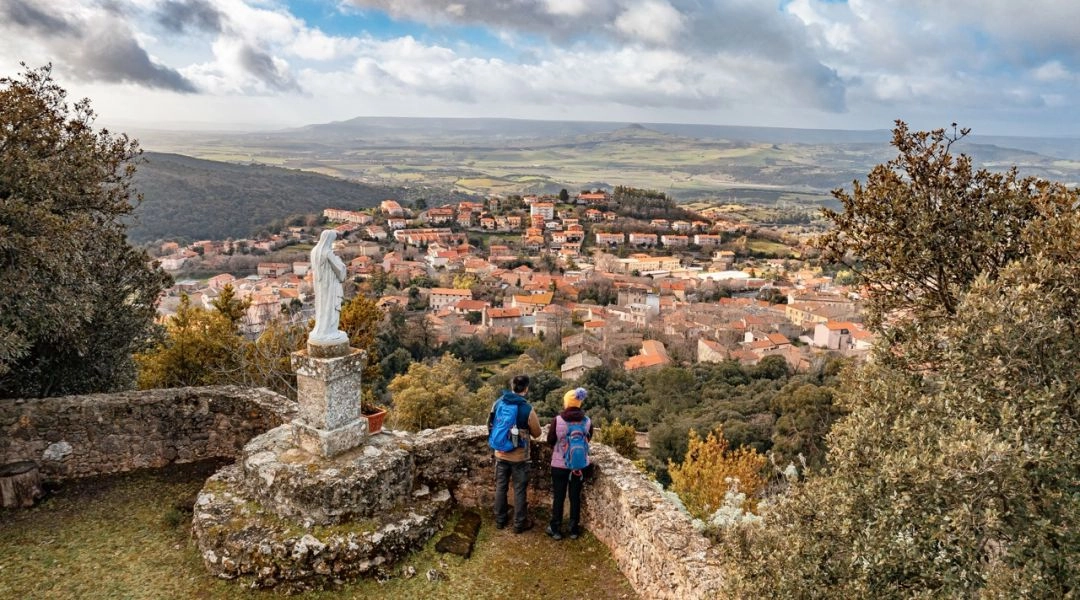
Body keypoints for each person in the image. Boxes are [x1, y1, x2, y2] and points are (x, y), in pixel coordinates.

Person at [488, 374, 542, 533]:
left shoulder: (498, 403)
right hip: (519, 457)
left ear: (512, 387)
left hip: (500, 452)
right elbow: (537, 433)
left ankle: (500, 520)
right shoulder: (527, 408)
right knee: (519, 489)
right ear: (526, 389)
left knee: (500, 487)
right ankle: (519, 524)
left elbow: (490, 424)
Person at [546, 387, 593, 541]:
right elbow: (588, 440)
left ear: (566, 403)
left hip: (559, 465)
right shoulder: (587, 421)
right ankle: (573, 530)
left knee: (559, 497)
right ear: (579, 403)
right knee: (575, 497)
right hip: (579, 466)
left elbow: (550, 440)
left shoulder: (558, 420)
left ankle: (556, 529)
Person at [308, 230, 348, 345]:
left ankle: (321, 330)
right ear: (329, 239)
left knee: (321, 307)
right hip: (330, 285)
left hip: (320, 286)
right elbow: (340, 271)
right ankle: (329, 331)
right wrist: (341, 262)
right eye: (332, 240)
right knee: (330, 308)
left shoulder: (314, 251)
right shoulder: (328, 253)